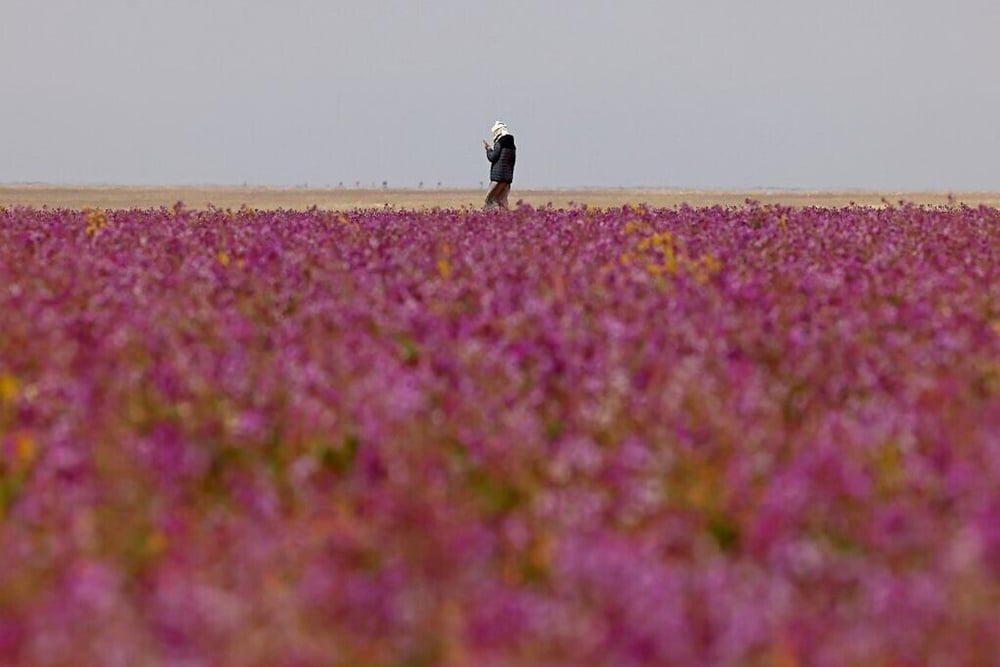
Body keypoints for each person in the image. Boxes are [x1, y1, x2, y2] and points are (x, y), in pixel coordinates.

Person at [483, 121, 516, 209]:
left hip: (497, 177)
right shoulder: (512, 145)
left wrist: (488, 149)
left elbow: (493, 157)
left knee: (490, 200)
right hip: (508, 177)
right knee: (502, 200)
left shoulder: (499, 143)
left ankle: (489, 218)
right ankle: (505, 219)